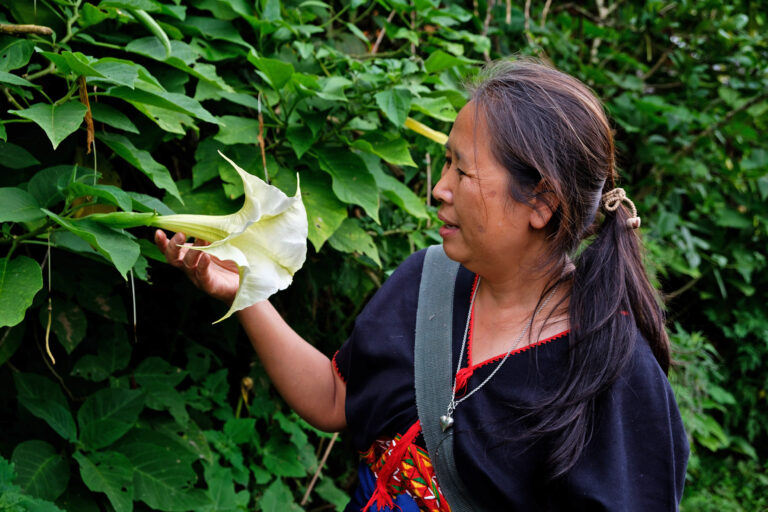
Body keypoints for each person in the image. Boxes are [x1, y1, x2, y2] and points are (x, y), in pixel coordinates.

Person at [155, 59, 689, 511]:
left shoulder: (609, 369)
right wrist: (247, 290)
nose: (439, 189)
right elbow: (335, 398)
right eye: (446, 165)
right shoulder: (427, 281)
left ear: (543, 202)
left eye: (463, 171)